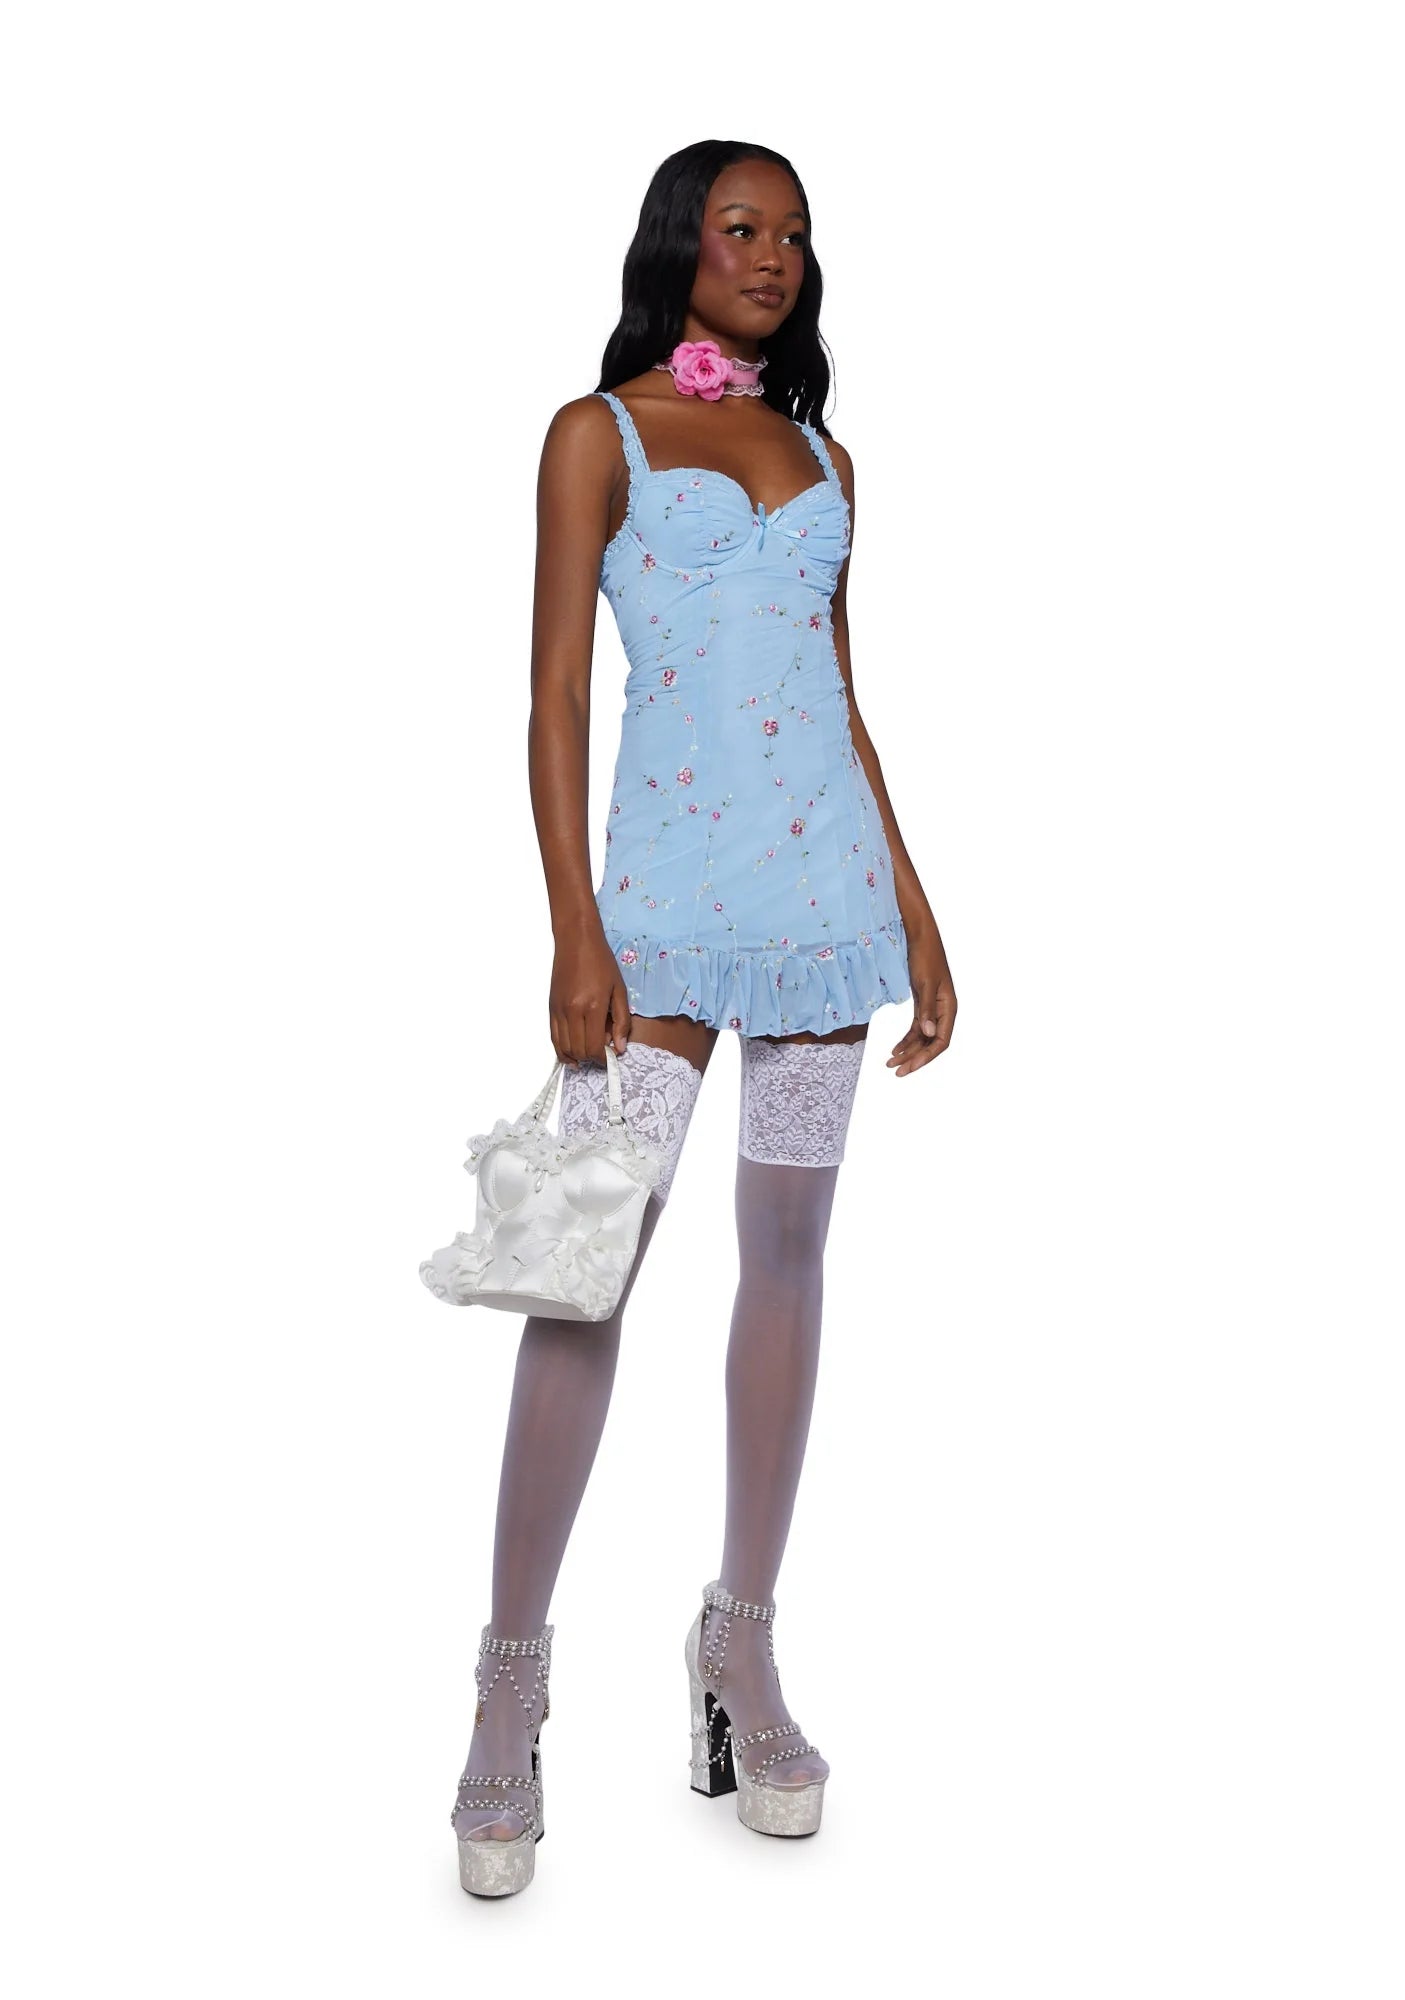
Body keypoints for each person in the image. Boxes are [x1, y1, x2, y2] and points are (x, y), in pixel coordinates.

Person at [451, 138, 957, 1897]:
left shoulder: (824, 457)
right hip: (658, 923)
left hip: (822, 917)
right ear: (678, 246)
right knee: (582, 1271)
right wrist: (570, 930)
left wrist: (916, 911)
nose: (773, 256)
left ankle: (740, 1640)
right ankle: (508, 1686)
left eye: (793, 234)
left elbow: (841, 696)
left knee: (790, 1258)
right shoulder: (596, 434)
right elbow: (550, 696)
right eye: (741, 228)